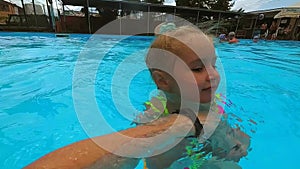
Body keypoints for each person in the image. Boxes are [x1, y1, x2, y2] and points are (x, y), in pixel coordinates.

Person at [25, 25, 249, 169]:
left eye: (214, 64)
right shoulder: (157, 111)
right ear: (163, 81)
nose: (213, 75)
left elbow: (227, 128)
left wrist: (234, 140)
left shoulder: (214, 102)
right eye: (198, 68)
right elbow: (143, 143)